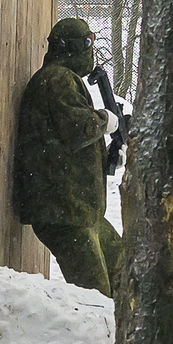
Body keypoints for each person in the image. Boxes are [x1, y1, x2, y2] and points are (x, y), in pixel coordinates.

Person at [14, 18, 127, 320]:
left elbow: (69, 144)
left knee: (124, 274)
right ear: (75, 47)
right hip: (64, 214)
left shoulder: (60, 79)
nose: (91, 51)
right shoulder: (57, 79)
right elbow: (77, 129)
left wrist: (112, 154)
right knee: (97, 300)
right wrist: (106, 120)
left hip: (80, 212)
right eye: (88, 43)